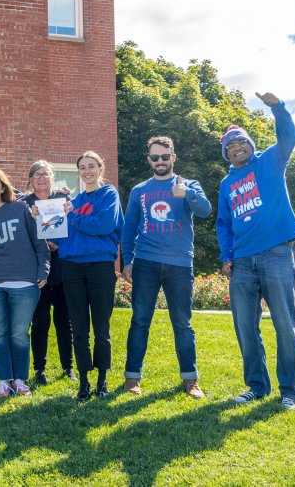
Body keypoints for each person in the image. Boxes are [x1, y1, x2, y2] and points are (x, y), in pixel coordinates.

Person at [217, 92, 295, 410]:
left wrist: (278, 108)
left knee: (284, 323)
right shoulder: (226, 185)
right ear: (226, 153)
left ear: (250, 146)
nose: (238, 149)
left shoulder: (270, 160)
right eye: (231, 147)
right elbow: (223, 224)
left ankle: (290, 392)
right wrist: (227, 256)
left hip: (276, 254)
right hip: (242, 261)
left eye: (242, 144)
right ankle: (256, 386)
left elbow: (289, 136)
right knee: (245, 326)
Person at [121, 137, 211, 399]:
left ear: (174, 157)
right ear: (148, 160)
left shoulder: (188, 185)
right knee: (139, 321)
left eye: (164, 156)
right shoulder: (140, 190)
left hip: (180, 264)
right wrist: (128, 260)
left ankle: (190, 379)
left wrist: (189, 195)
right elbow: (129, 229)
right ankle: (132, 378)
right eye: (154, 157)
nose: (160, 162)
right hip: (146, 263)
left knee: (182, 323)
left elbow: (205, 210)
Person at [0, 169, 50, 397]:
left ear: (3, 187)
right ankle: (3, 380)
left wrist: (43, 271)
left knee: (19, 333)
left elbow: (39, 241)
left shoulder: (19, 209)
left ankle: (20, 380)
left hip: (26, 284)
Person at [58, 151, 124, 401]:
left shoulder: (109, 195)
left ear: (100, 168)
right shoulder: (72, 201)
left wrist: (72, 216)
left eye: (91, 166)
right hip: (72, 267)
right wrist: (43, 219)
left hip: (100, 267)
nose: (87, 171)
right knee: (79, 328)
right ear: (79, 172)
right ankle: (84, 382)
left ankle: (102, 380)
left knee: (101, 327)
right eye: (82, 167)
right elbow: (60, 235)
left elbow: (103, 225)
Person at [22, 160, 76, 385]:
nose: (41, 178)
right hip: (37, 269)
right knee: (40, 320)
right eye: (37, 175)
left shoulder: (64, 200)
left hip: (62, 266)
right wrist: (30, 218)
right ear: (31, 179)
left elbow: (73, 230)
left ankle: (68, 367)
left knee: (65, 320)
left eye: (45, 174)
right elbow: (21, 235)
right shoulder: (24, 204)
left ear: (52, 177)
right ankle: (39, 369)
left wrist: (58, 245)